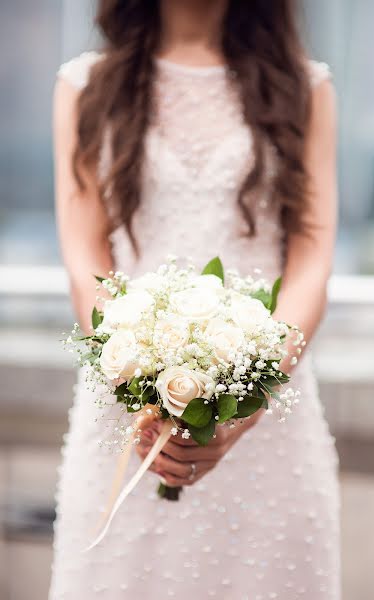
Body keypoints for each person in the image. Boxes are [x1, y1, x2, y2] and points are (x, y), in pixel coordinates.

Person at [50, 1, 339, 598]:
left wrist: (248, 401)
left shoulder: (306, 87)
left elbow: (311, 265)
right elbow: (86, 262)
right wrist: (140, 389)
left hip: (272, 413)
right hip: (124, 406)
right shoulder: (85, 86)